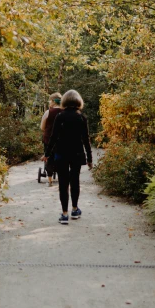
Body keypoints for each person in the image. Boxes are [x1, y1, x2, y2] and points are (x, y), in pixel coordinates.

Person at [45, 89, 93, 225]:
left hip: (61, 154)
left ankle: (64, 214)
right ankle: (75, 209)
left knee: (63, 184)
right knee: (75, 182)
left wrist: (47, 154)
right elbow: (86, 140)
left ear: (64, 101)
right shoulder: (81, 117)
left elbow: (53, 138)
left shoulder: (59, 117)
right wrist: (89, 159)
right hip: (77, 154)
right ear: (78, 101)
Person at [40, 92, 62, 186]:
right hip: (62, 140)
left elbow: (42, 127)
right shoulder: (65, 112)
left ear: (53, 101)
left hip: (48, 139)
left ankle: (50, 181)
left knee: (49, 157)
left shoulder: (48, 112)